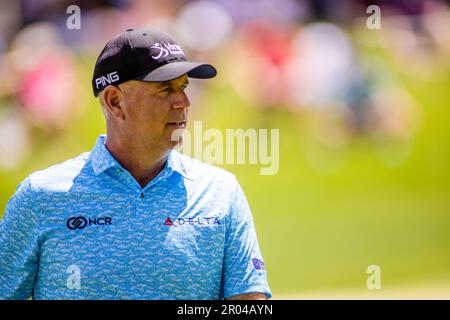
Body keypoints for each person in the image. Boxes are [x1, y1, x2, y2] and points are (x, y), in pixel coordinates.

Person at [0, 28, 271, 300]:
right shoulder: (40, 197)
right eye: (166, 89)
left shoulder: (221, 193)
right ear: (114, 101)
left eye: (184, 87)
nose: (184, 102)